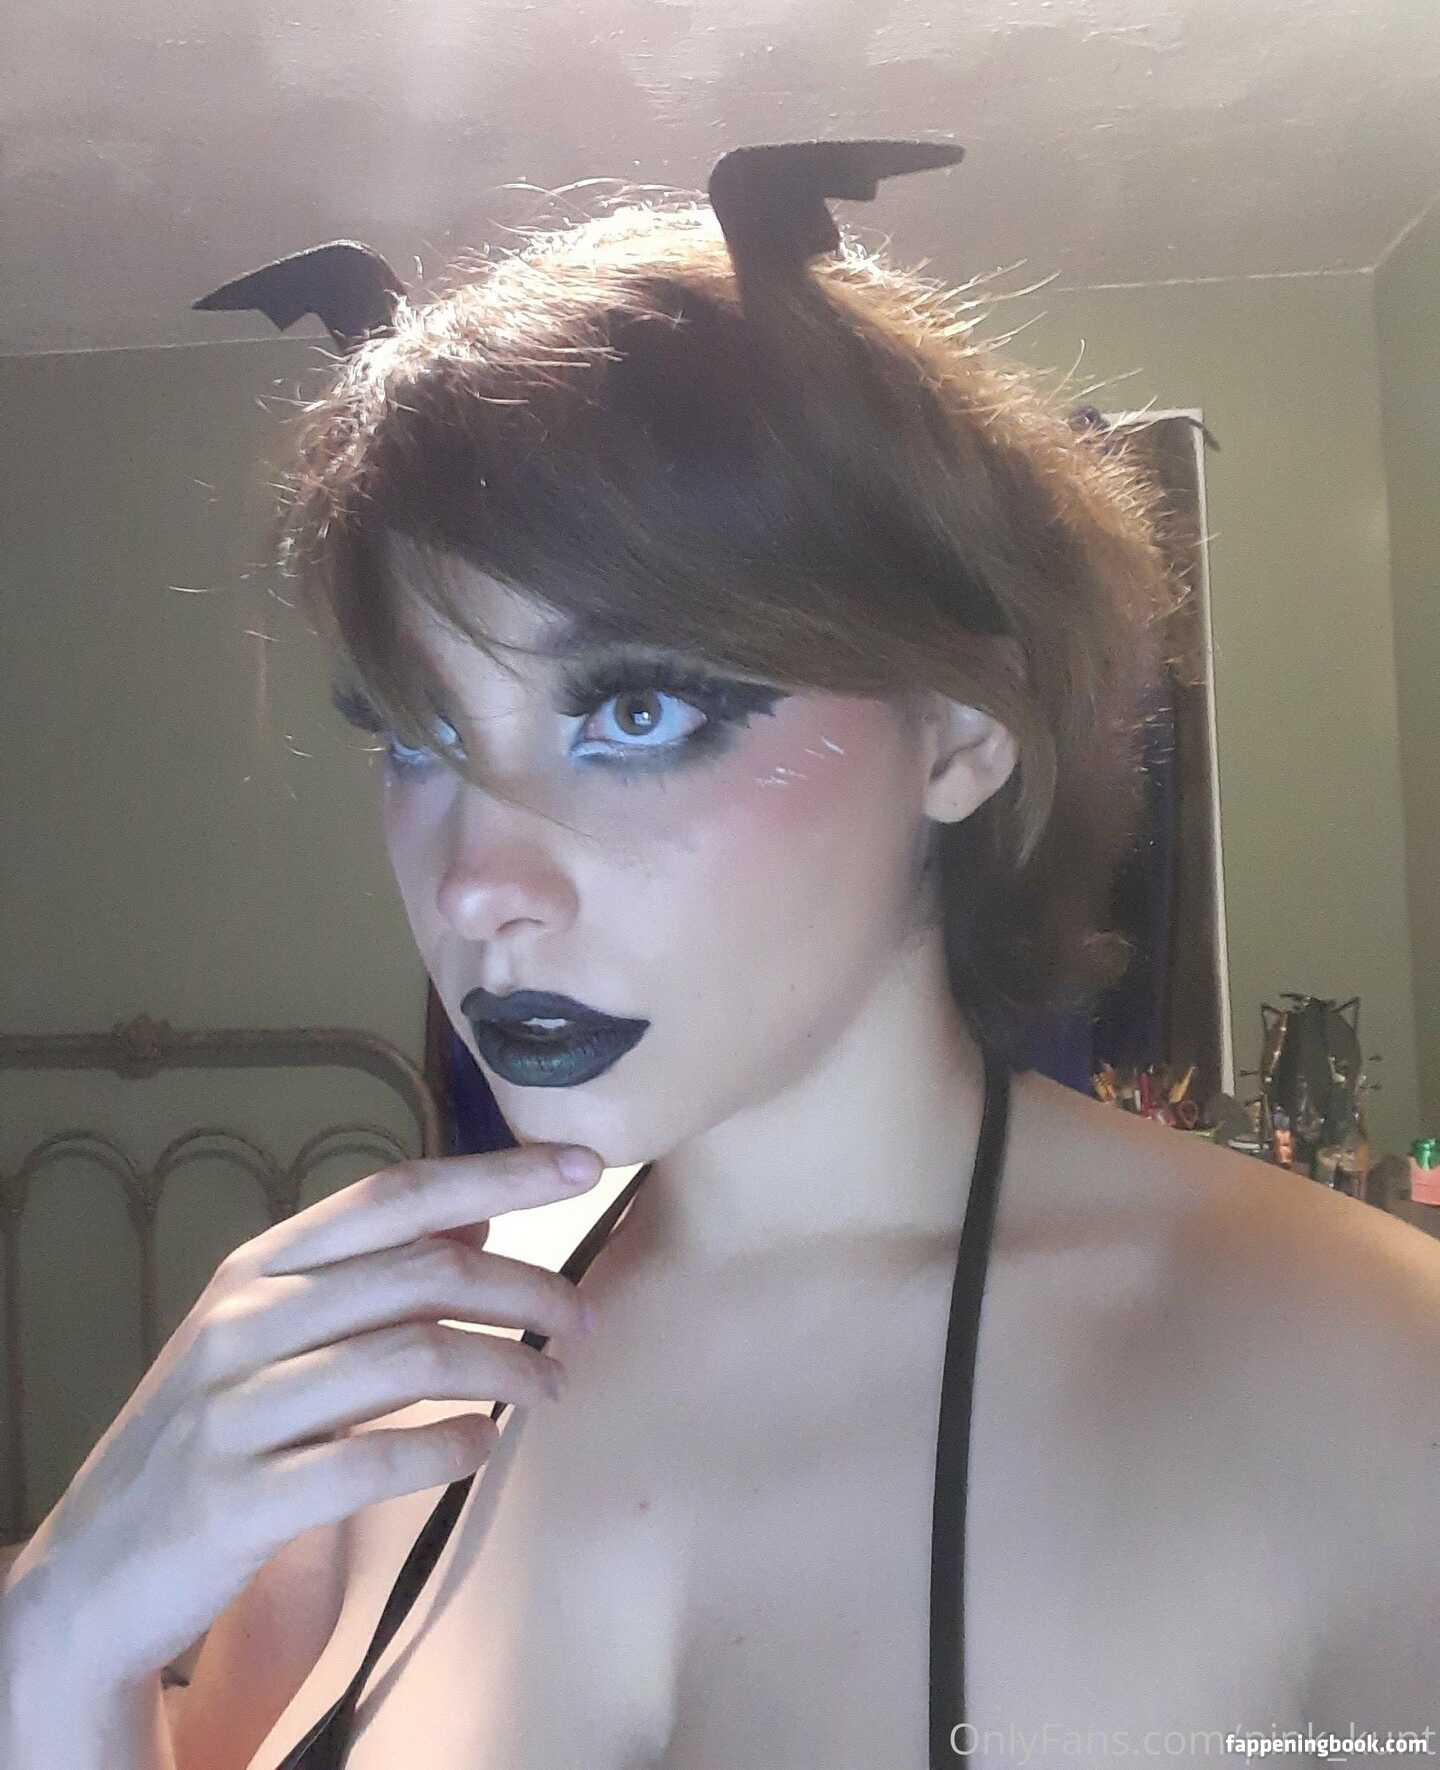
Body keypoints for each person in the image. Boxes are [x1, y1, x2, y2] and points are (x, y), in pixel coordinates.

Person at [1, 149, 1435, 1770]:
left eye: (634, 712)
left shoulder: (1365, 1391)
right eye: (419, 735)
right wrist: (55, 1646)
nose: (479, 888)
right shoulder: (381, 1382)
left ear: (960, 729)